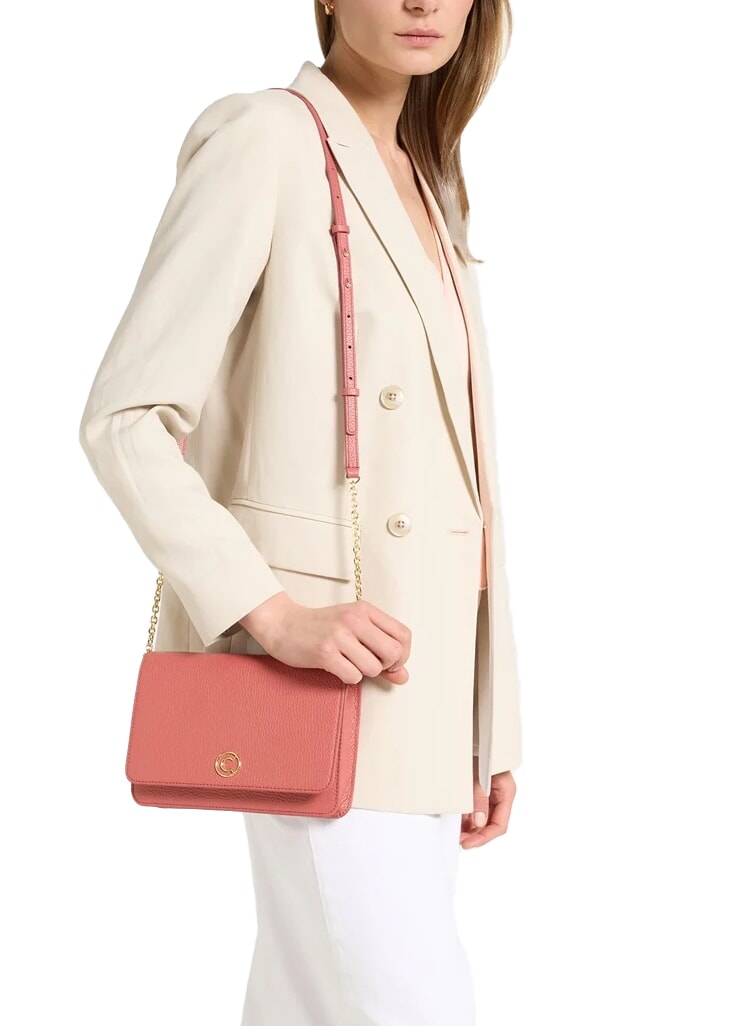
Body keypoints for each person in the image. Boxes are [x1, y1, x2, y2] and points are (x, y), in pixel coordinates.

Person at [78, 1, 523, 1023]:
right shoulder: (265, 139)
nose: (424, 3)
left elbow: (457, 485)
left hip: (424, 702)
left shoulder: (430, 177)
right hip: (326, 690)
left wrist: (487, 719)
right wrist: (269, 613)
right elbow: (125, 419)